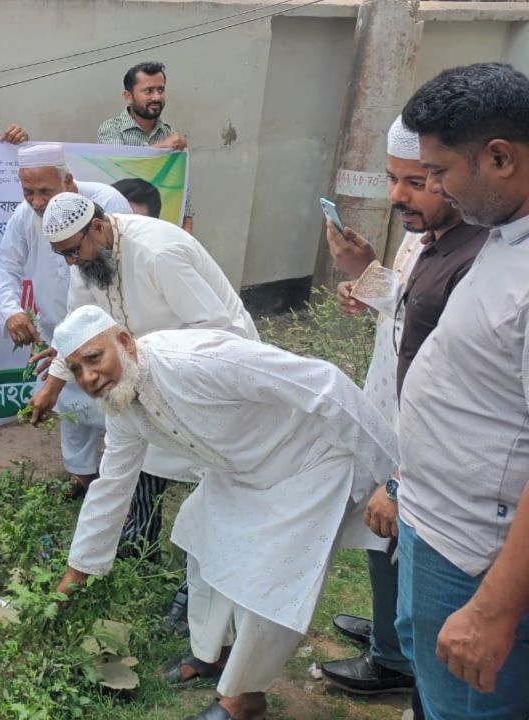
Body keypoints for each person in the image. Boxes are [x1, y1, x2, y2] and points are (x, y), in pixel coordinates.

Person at [53, 305, 396, 720]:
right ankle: (213, 655)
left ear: (125, 342)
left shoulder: (194, 360)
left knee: (270, 585)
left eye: (94, 358)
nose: (89, 377)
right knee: (199, 537)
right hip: (239, 471)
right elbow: (112, 484)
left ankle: (245, 700)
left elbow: (325, 382)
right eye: (76, 369)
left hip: (306, 463)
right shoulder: (122, 403)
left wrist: (392, 480)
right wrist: (79, 569)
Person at [317, 116, 486, 706]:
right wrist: (365, 276)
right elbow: (410, 305)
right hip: (390, 404)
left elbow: (457, 383)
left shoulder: (484, 252)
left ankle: (393, 655)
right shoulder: (423, 231)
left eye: (419, 180)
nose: (398, 197)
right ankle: (389, 629)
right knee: (380, 534)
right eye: (394, 179)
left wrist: (400, 476)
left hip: (424, 445)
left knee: (394, 531)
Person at [394, 62, 529, 718]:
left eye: (441, 172)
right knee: (434, 695)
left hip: (479, 560)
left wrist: (494, 612)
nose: (435, 189)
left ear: (500, 157)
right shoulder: (507, 235)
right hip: (440, 525)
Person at [29, 192, 256, 556]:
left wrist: (157, 363)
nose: (71, 262)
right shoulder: (87, 265)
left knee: (210, 467)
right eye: (63, 256)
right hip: (145, 370)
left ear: (99, 229)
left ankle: (204, 561)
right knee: (145, 448)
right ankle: (140, 541)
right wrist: (53, 384)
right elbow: (79, 325)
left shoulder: (156, 252)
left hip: (208, 366)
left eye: (73, 251)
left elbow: (214, 325)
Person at [0, 143, 131, 499]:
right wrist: (11, 310)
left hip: (109, 328)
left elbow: (121, 269)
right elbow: (6, 264)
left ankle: (127, 481)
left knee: (119, 404)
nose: (37, 202)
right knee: (72, 405)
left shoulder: (106, 202)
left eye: (44, 192)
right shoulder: (25, 216)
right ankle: (81, 476)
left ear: (68, 181)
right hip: (58, 327)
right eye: (28, 193)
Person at [96, 62, 193, 231]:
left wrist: (187, 229)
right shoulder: (111, 129)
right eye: (148, 91)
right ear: (128, 96)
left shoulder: (169, 133)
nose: (156, 97)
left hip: (161, 229)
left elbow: (182, 191)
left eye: (160, 90)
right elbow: (121, 170)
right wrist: (162, 147)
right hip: (121, 229)